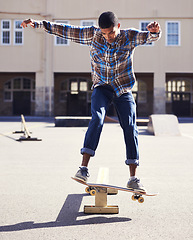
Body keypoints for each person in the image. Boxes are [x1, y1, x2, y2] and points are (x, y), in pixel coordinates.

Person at [21, 11, 161, 192]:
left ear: (118, 27)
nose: (108, 37)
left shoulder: (129, 36)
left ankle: (133, 178)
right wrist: (38, 24)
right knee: (97, 118)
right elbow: (65, 30)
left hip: (123, 89)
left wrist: (155, 32)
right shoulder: (92, 35)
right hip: (101, 87)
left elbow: (149, 38)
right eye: (104, 34)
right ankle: (83, 168)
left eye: (111, 33)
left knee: (130, 126)